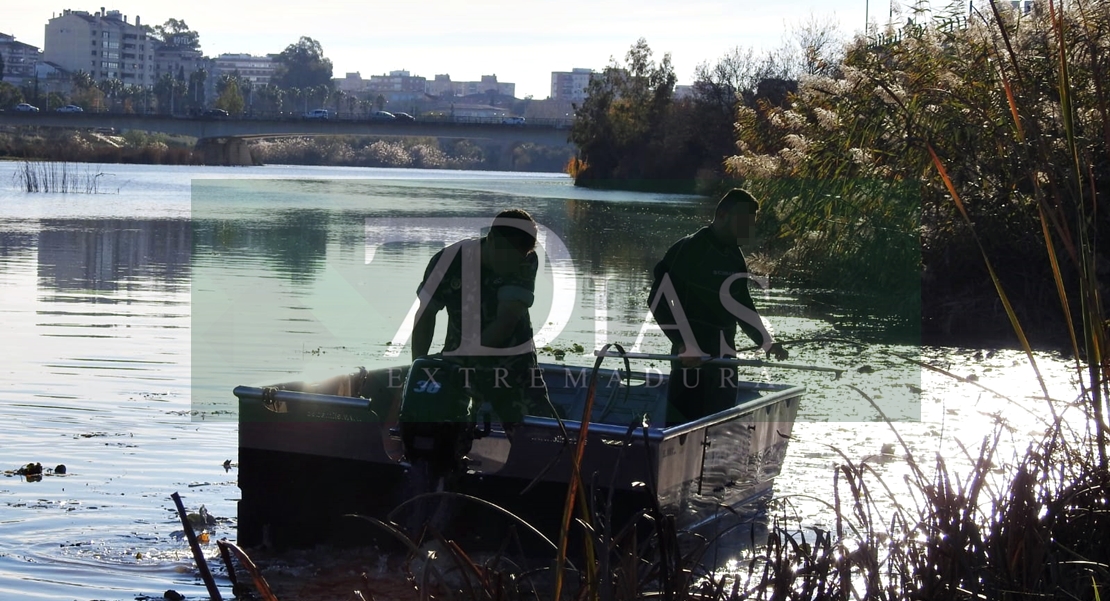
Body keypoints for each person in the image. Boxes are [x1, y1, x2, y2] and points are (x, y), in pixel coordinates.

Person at [648, 188, 789, 425]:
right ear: (722, 214)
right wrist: (683, 344)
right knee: (681, 428)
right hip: (689, 360)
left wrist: (766, 341)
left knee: (720, 426)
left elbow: (743, 307)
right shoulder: (690, 248)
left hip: (725, 360)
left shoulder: (735, 257)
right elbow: (657, 300)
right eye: (743, 221)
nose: (747, 229)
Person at [410, 208, 549, 434]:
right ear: (491, 239)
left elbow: (506, 322)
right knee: (443, 432)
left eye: (518, 257)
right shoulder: (448, 261)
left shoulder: (526, 259)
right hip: (458, 365)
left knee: (536, 438)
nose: (511, 265)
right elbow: (425, 316)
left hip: (513, 366)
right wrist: (419, 366)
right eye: (506, 256)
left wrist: (465, 355)